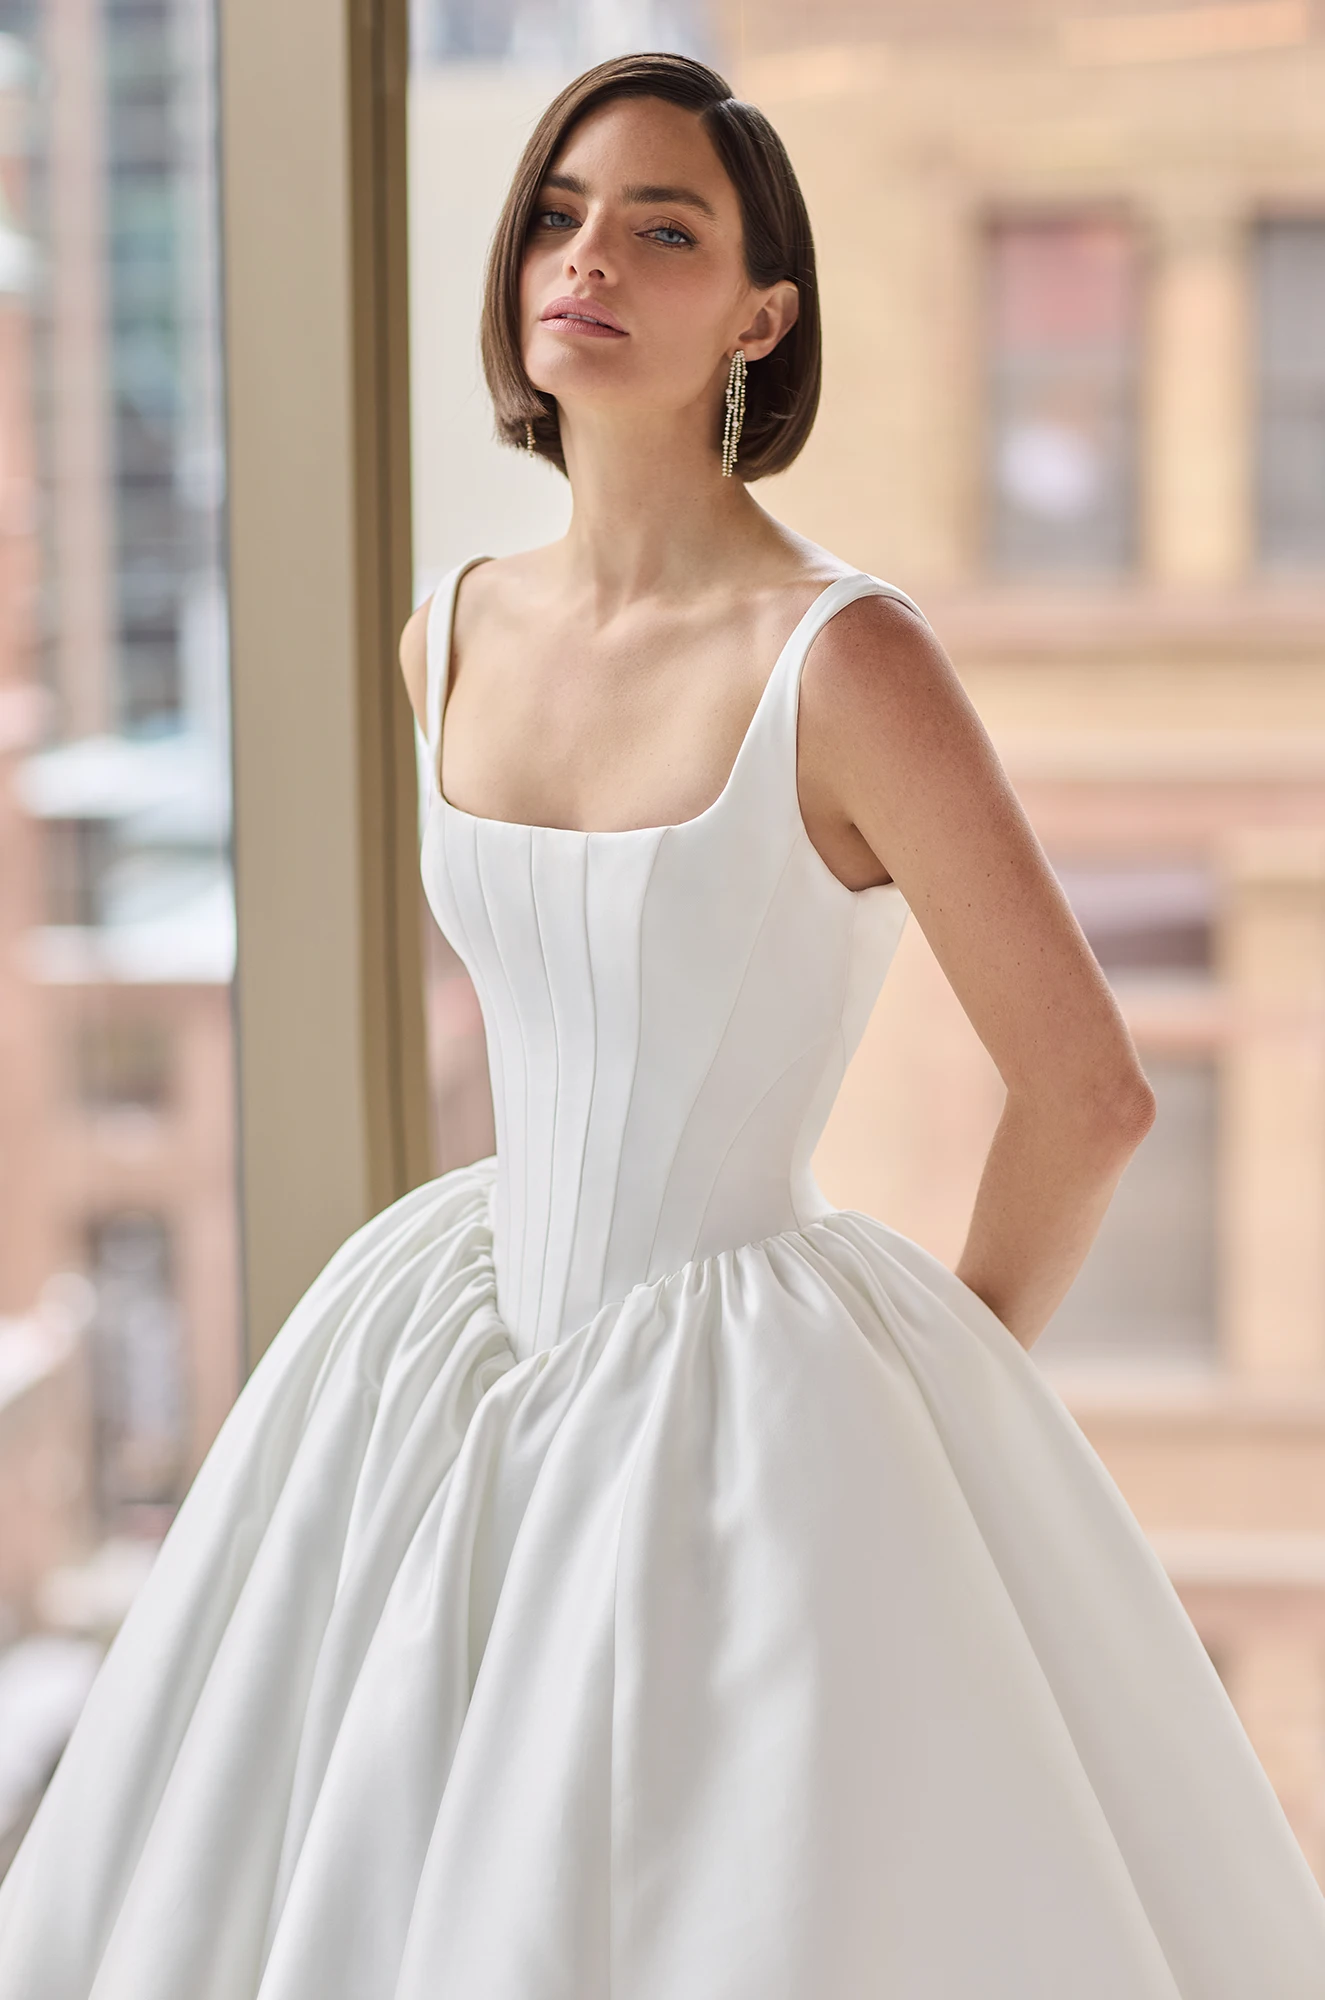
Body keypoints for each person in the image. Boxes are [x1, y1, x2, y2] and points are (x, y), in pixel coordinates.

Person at [1, 48, 1323, 2000]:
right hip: (437, 1349)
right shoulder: (443, 627)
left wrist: (914, 1395)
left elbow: (1086, 1088)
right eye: (555, 211)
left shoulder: (842, 657)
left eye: (662, 226)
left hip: (734, 1392)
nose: (586, 256)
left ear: (758, 311)